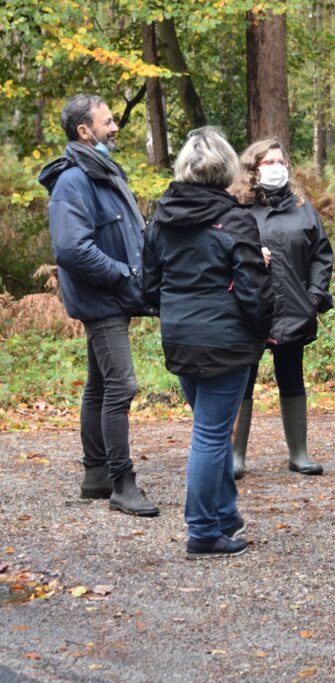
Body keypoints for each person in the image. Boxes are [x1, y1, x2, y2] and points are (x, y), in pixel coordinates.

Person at [143, 127, 274, 559]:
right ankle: (202, 530)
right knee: (211, 434)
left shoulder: (161, 217)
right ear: (224, 169)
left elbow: (149, 286)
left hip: (180, 336)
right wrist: (262, 330)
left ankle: (223, 513)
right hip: (224, 340)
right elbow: (254, 291)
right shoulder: (234, 219)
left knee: (209, 428)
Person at [37, 94, 158, 516]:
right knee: (122, 385)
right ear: (84, 131)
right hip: (101, 299)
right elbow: (72, 250)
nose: (115, 126)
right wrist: (123, 274)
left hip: (113, 295)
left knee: (99, 384)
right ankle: (123, 484)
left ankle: (96, 475)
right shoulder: (74, 180)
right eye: (108, 121)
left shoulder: (104, 171)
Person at [228, 139, 334, 478]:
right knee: (241, 381)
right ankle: (234, 456)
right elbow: (218, 251)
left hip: (293, 308)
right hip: (246, 308)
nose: (277, 167)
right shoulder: (235, 207)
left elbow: (321, 253)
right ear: (252, 169)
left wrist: (315, 296)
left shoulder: (303, 207)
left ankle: (299, 453)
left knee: (292, 376)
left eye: (281, 160)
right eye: (268, 161)